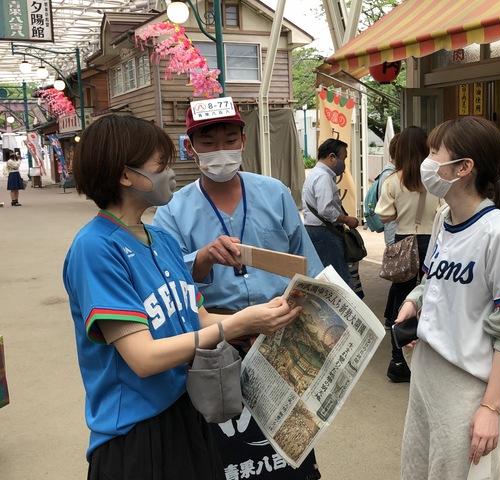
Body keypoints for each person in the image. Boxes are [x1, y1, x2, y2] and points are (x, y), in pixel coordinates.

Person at [62, 114, 301, 479]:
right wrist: (238, 324)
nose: (171, 174)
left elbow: (199, 319)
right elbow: (143, 358)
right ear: (126, 175)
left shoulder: (162, 240)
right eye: (161, 165)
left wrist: (264, 315)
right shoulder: (96, 248)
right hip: (135, 430)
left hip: (186, 408)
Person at [153, 105, 323, 479]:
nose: (221, 150)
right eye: (208, 142)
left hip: (281, 335)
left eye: (230, 139)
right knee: (227, 450)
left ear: (244, 140)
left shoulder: (274, 193)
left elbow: (307, 265)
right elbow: (167, 285)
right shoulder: (172, 211)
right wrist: (201, 259)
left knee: (289, 445)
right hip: (217, 344)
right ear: (190, 148)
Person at [397, 116, 500, 479]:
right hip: (425, 371)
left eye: (434, 153)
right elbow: (433, 280)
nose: (426, 162)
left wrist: (490, 409)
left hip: (465, 385)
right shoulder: (443, 218)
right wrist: (415, 300)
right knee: (418, 469)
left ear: (463, 168)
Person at [375, 126, 442, 382]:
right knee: (431, 298)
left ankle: (397, 360)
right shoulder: (436, 180)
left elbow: (383, 216)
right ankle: (428, 358)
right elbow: (445, 211)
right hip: (432, 243)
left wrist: (401, 213)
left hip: (404, 242)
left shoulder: (393, 180)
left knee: (403, 301)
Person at [302, 138, 359, 286]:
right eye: (343, 158)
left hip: (317, 231)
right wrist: (347, 220)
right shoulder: (323, 176)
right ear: (332, 157)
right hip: (325, 233)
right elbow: (325, 210)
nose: (344, 163)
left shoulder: (316, 174)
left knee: (325, 278)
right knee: (339, 281)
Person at [381, 133, 400, 329]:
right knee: (399, 278)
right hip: (395, 235)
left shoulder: (390, 176)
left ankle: (389, 316)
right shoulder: (391, 177)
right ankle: (392, 318)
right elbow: (384, 214)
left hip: (394, 235)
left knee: (398, 278)